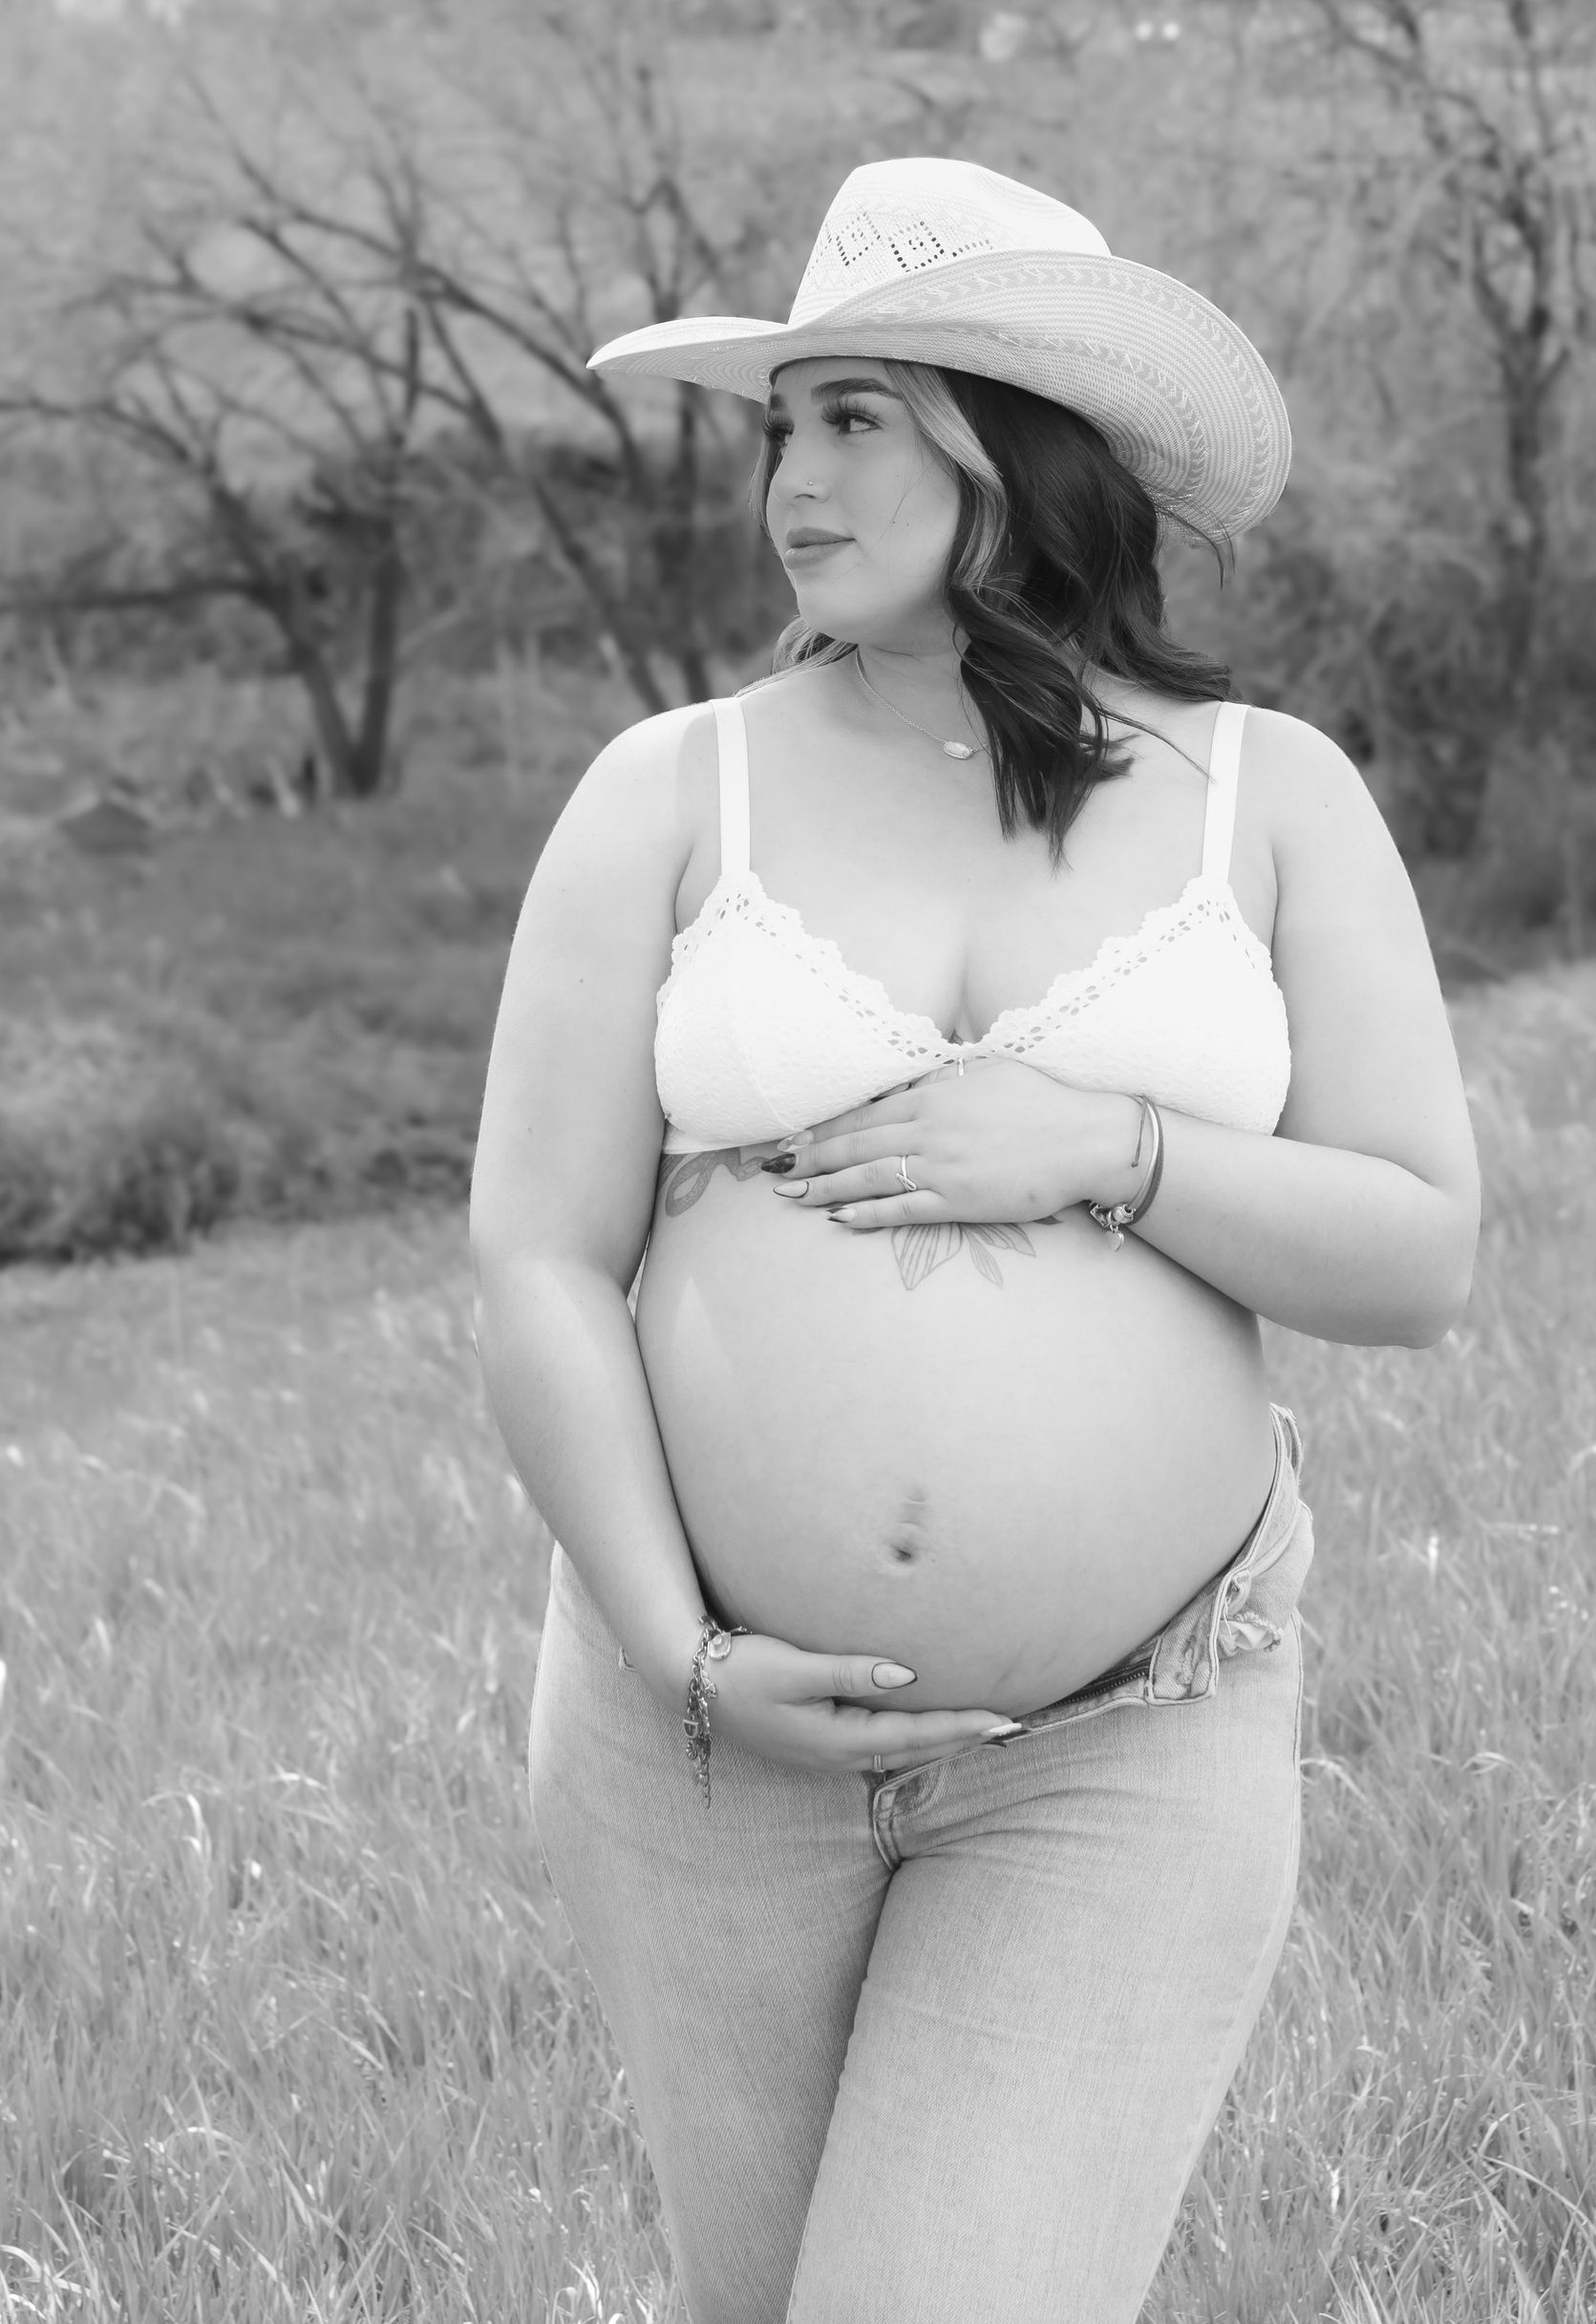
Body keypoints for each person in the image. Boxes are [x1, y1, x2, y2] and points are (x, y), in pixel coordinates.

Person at [470, 158, 1481, 2324]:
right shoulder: (668, 790)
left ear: (1010, 452)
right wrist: (687, 1654)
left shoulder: (1266, 791)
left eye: (854, 417)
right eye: (778, 427)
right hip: (703, 1741)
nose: (792, 484)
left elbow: (1419, 1251)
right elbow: (536, 1260)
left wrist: (1109, 1141)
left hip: (1131, 1726)